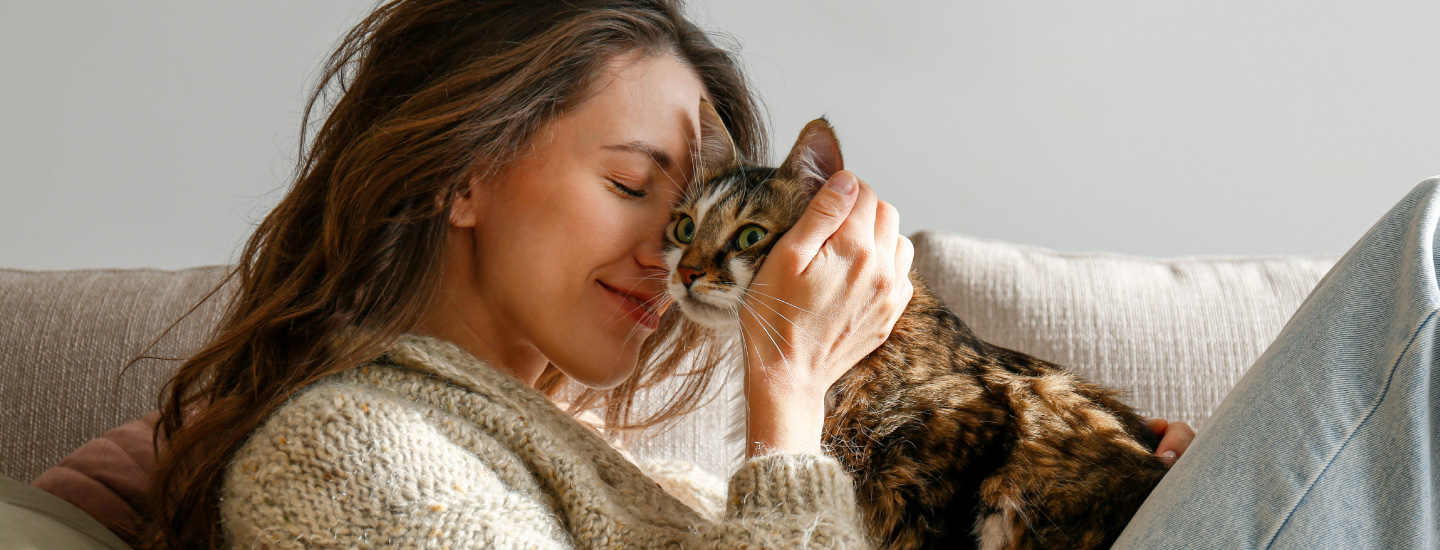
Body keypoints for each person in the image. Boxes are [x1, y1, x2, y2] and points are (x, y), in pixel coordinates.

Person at [138, 1, 1199, 548]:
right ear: (464, 177)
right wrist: (788, 395)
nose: (669, 257)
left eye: (688, 213)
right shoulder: (348, 449)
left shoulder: (642, 475)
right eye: (633, 185)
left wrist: (1126, 495)